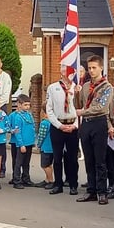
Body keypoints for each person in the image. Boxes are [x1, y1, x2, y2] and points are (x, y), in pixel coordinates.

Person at [76, 56, 113, 205]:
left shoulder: (106, 87)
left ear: (101, 68)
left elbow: (102, 107)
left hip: (99, 123)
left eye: (94, 68)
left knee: (100, 160)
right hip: (86, 124)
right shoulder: (85, 86)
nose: (91, 71)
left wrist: (83, 112)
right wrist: (77, 94)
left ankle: (102, 192)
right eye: (89, 68)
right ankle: (91, 190)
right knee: (89, 159)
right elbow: (78, 105)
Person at [46, 66, 79, 195]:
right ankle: (58, 184)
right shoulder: (53, 88)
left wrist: (75, 125)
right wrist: (59, 125)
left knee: (72, 158)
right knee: (57, 157)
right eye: (65, 70)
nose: (68, 73)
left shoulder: (77, 88)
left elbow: (81, 108)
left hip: (72, 126)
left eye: (70, 70)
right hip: (58, 126)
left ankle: (73, 184)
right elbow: (49, 109)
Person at [10, 95, 35, 189]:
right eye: (25, 105)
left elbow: (32, 128)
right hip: (22, 144)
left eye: (28, 105)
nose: (27, 107)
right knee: (18, 162)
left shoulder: (29, 115)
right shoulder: (17, 117)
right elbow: (18, 132)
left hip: (29, 143)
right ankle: (16, 180)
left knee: (26, 162)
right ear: (19, 105)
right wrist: (21, 144)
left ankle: (26, 178)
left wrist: (33, 141)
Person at [35, 105, 55, 189]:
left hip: (46, 147)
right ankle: (47, 179)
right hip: (52, 147)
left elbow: (41, 136)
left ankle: (51, 180)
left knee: (44, 165)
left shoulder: (44, 123)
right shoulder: (53, 122)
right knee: (49, 164)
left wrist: (38, 145)